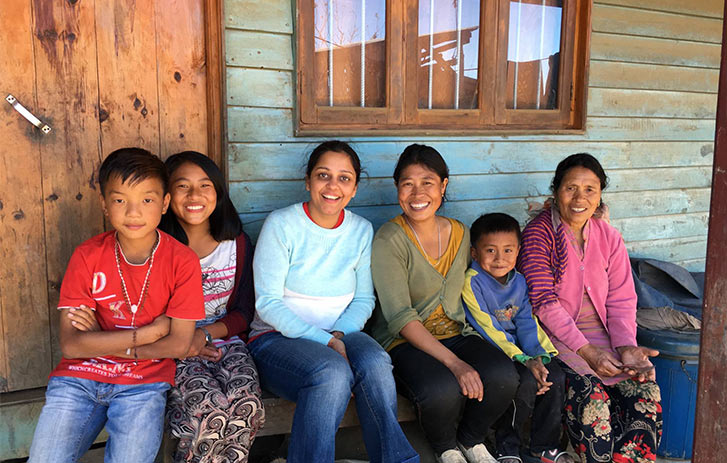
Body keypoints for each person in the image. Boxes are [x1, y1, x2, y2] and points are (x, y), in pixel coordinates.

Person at [29, 148, 205, 463]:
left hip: (144, 383)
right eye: (120, 200)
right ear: (105, 204)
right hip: (79, 376)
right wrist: (149, 335)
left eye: (147, 200)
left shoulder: (182, 261)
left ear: (164, 203)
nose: (133, 212)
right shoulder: (87, 255)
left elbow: (179, 344)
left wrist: (99, 341)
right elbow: (72, 345)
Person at [247, 141, 418, 463]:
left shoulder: (360, 230)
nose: (332, 186)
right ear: (308, 181)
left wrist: (337, 336)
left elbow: (365, 298)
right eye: (323, 175)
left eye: (344, 178)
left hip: (341, 333)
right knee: (331, 373)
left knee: (376, 364)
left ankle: (397, 459)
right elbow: (268, 304)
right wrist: (324, 341)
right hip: (275, 339)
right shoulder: (281, 225)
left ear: (354, 188)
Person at [369, 144, 517, 463]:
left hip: (455, 332)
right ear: (397, 187)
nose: (417, 192)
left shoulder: (462, 234)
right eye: (407, 183)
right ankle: (445, 448)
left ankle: (470, 440)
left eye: (428, 182)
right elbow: (399, 316)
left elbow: (489, 275)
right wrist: (455, 363)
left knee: (504, 375)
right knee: (441, 389)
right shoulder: (389, 239)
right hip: (403, 339)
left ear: (444, 185)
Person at [517, 153, 662, 463]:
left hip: (606, 338)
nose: (579, 198)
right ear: (556, 191)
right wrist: (588, 353)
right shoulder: (539, 234)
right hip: (558, 339)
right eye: (570, 188)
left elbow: (622, 299)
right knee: (591, 397)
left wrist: (626, 346)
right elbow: (543, 304)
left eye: (590, 189)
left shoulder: (608, 236)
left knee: (644, 392)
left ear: (600, 195)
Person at [158, 151, 264, 463]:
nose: (195, 196)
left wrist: (203, 334)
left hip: (224, 342)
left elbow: (245, 312)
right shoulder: (158, 246)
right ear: (165, 197)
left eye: (205, 186)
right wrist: (183, 341)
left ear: (218, 193)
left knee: (246, 403)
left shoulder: (237, 245)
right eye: (182, 186)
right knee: (208, 408)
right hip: (173, 348)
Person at [461, 213, 574, 463]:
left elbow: (526, 321)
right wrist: (523, 360)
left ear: (518, 251)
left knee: (554, 376)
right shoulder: (472, 282)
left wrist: (538, 357)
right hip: (491, 347)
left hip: (522, 350)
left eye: (508, 250)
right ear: (474, 253)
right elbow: (487, 328)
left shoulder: (520, 281)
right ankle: (507, 446)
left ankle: (544, 445)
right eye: (490, 250)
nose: (500, 259)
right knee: (521, 382)